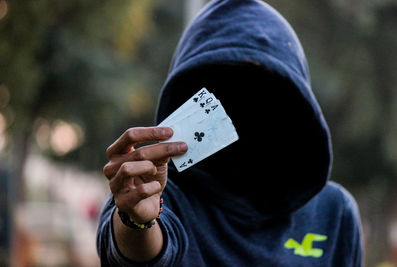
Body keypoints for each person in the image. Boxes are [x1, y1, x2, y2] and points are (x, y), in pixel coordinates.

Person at [97, 0, 363, 266]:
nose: (248, 108)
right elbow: (136, 255)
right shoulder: (152, 191)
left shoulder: (333, 212)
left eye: (268, 91)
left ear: (298, 105)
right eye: (230, 92)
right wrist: (137, 221)